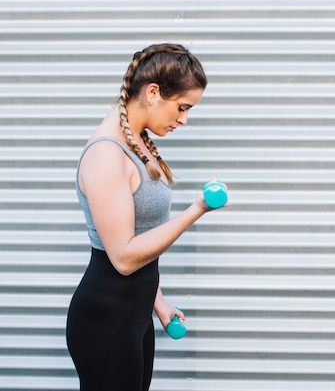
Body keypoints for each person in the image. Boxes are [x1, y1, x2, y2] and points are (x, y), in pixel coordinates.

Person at [66, 43, 222, 391]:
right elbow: (123, 257)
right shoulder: (107, 154)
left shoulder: (136, 142)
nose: (184, 119)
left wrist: (159, 304)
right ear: (153, 93)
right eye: (182, 107)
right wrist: (197, 210)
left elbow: (141, 236)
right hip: (106, 319)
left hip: (132, 315)